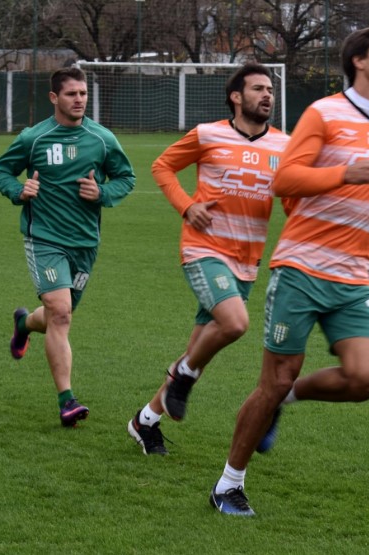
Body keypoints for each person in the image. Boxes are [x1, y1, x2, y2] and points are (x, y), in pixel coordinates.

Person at [210, 26, 369, 515]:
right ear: (359, 62)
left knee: (368, 378)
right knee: (273, 379)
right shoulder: (324, 113)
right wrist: (344, 172)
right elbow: (285, 178)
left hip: (356, 276)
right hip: (301, 268)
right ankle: (228, 485)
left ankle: (289, 399)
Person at [126, 63, 289, 455]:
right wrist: (187, 206)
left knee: (199, 346)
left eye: (270, 89)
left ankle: (145, 421)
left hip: (247, 260)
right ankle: (183, 375)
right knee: (234, 324)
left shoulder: (285, 145)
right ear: (236, 97)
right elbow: (162, 166)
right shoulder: (207, 134)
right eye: (258, 89)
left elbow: (296, 194)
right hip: (204, 250)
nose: (268, 95)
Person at [0, 67, 135, 427]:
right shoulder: (33, 139)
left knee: (57, 316)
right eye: (72, 94)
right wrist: (18, 190)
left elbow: (126, 177)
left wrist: (101, 193)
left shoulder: (101, 139)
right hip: (44, 238)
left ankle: (24, 323)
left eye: (83, 93)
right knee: (61, 312)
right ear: (55, 98)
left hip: (85, 242)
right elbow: (1, 172)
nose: (79, 100)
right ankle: (67, 400)